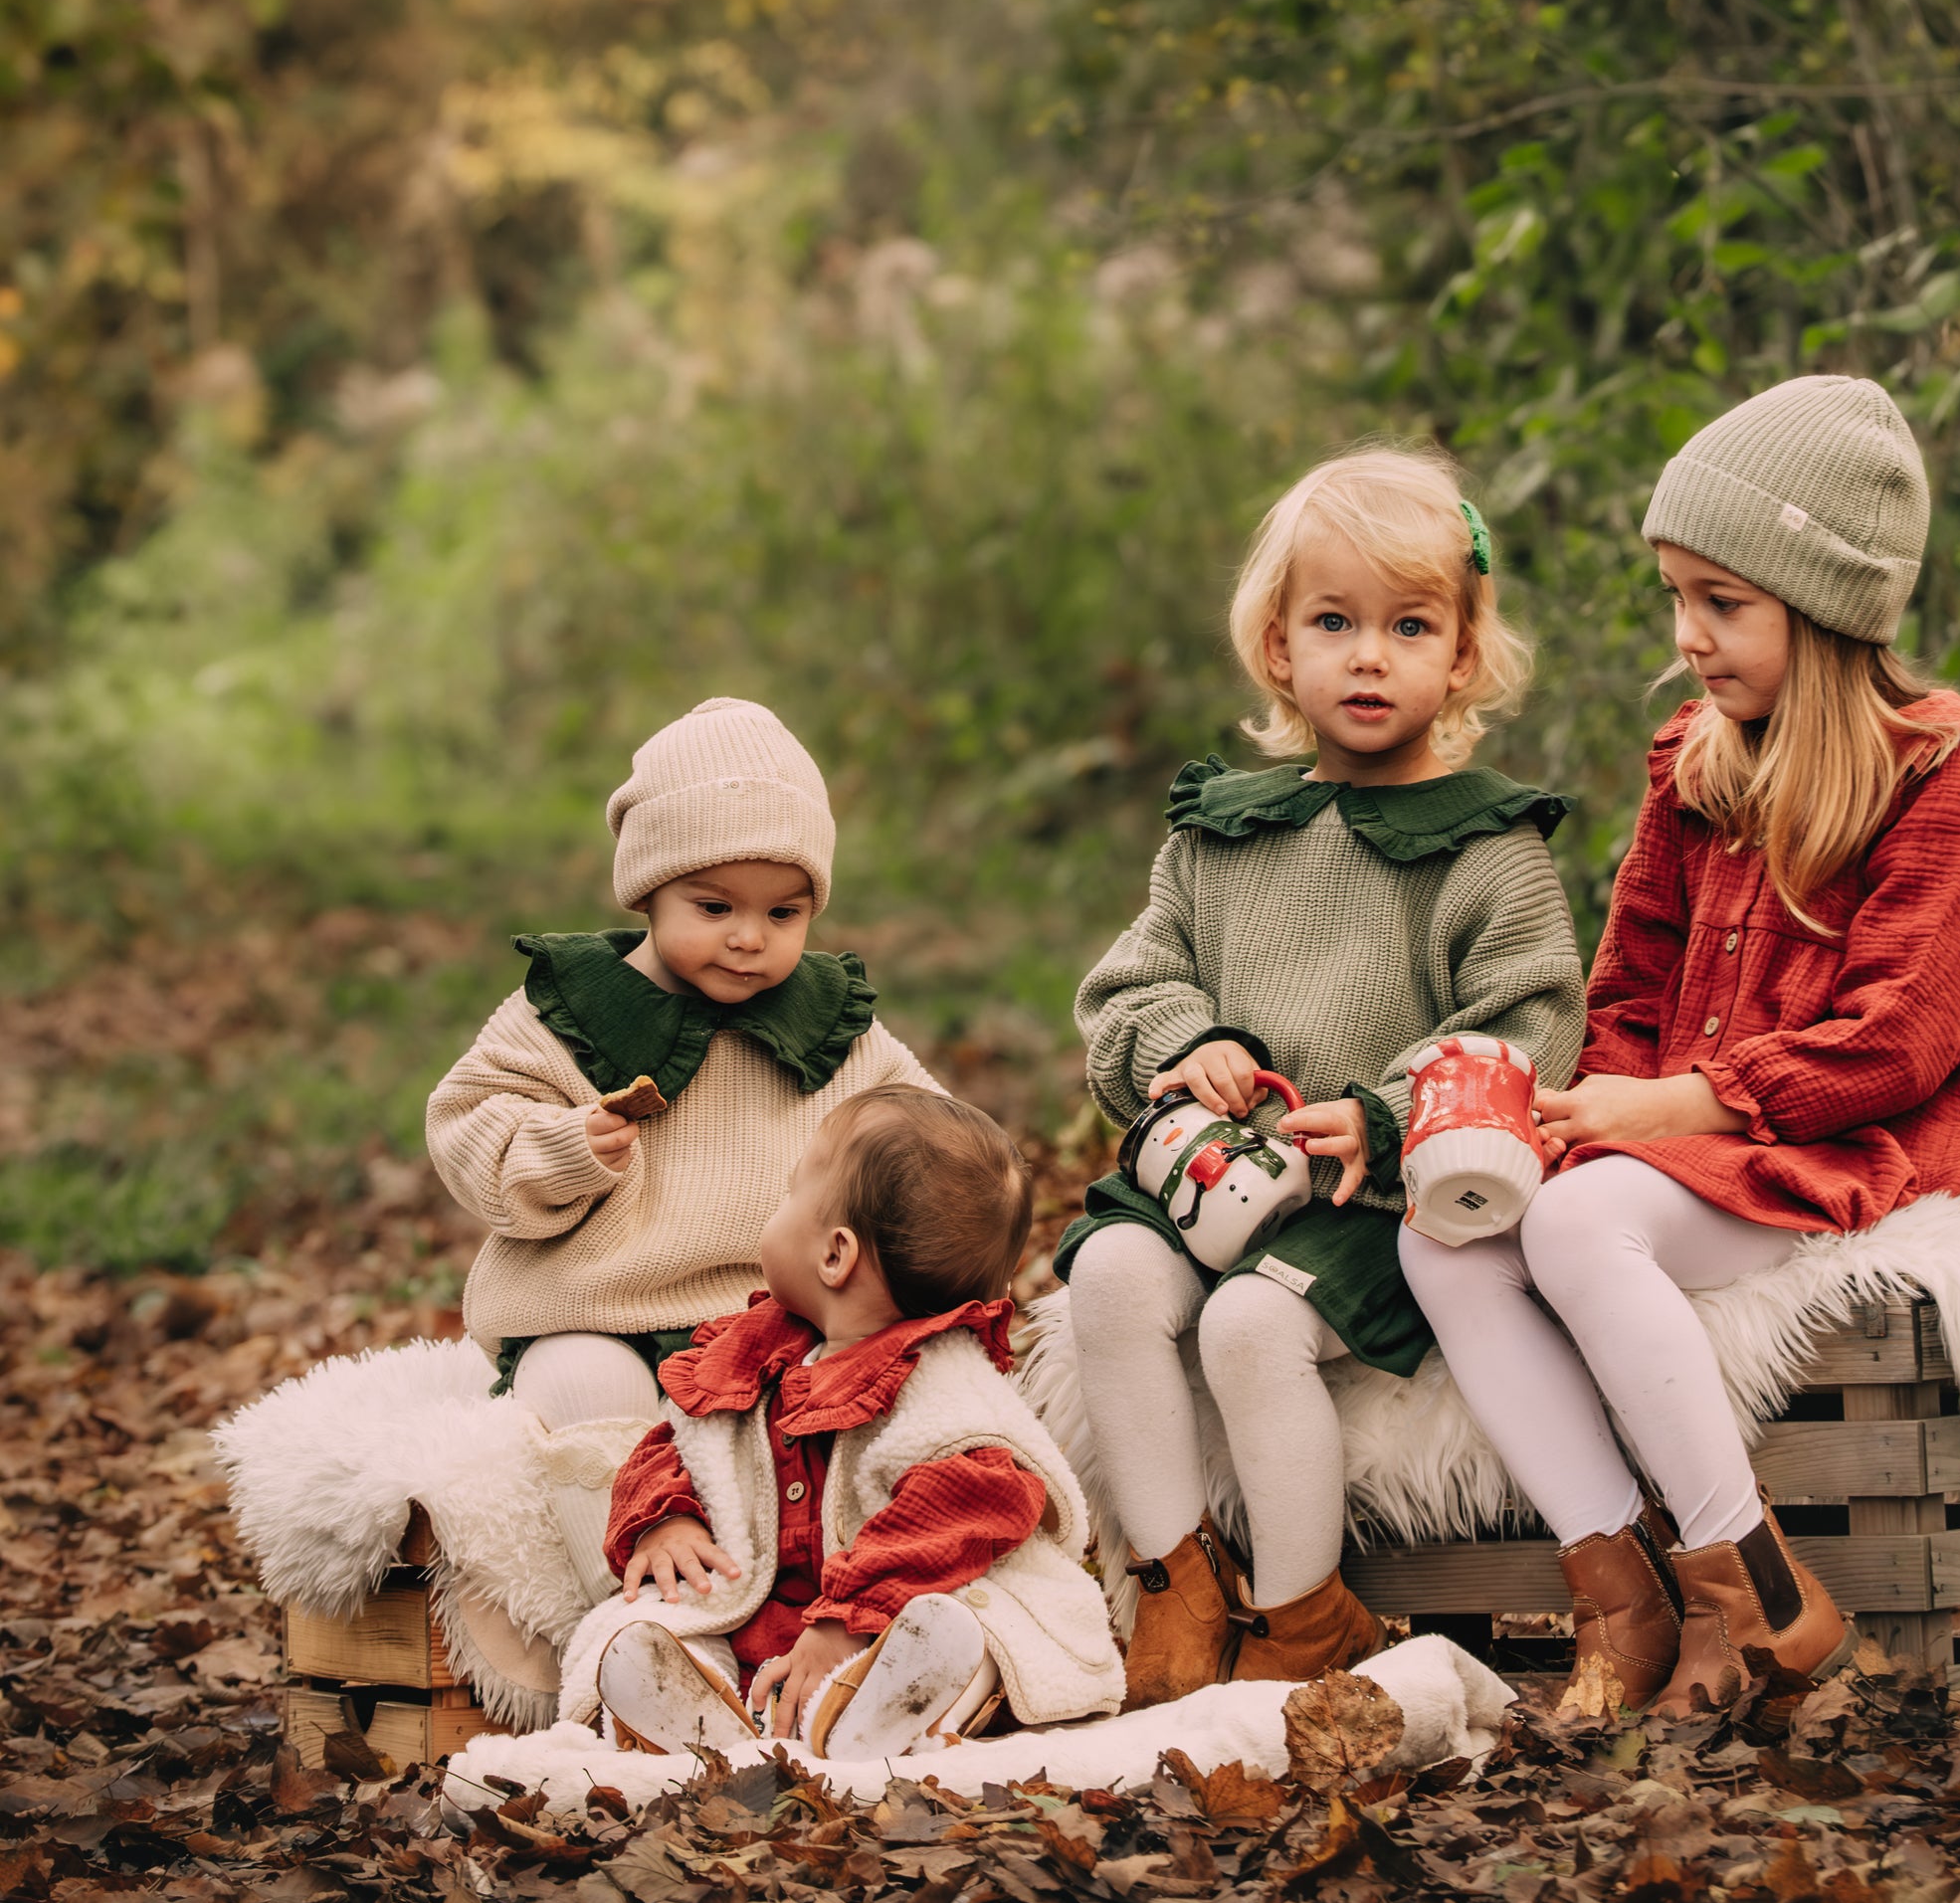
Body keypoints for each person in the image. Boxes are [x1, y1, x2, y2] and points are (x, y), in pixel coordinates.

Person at [1400, 373, 1960, 1722]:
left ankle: (1757, 1589)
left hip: (1859, 1128)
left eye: (1725, 604)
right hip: (1686, 1120)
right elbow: (1633, 972)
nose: (1690, 636)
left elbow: (1889, 1046)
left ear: (1826, 608)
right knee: (1449, 1234)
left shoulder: (1959, 790)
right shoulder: (1698, 765)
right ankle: (1622, 1588)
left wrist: (1664, 1111)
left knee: (1582, 1225)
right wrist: (1589, 1096)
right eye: (1677, 598)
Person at [1063, 446, 1587, 1705]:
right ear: (1276, 647)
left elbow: (1528, 1023)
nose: (1367, 655)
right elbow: (1123, 987)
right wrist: (1183, 1044)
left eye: (1408, 625)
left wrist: (1396, 1109)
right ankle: (1174, 1582)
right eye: (1333, 621)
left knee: (1248, 1325)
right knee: (1108, 1275)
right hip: (1212, 1167)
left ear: (1460, 655)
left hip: (1364, 1194)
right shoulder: (1221, 834)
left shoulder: (1484, 847)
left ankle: (1304, 1618)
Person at [427, 696, 940, 1435]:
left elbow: (924, 1130)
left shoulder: (829, 1023)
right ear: (649, 891)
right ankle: (615, 1551)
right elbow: (469, 1127)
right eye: (713, 908)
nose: (748, 939)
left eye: (783, 914)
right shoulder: (573, 1011)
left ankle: (786, 1550)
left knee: (862, 1401)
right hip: (595, 1313)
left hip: (780, 1314)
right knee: (584, 1395)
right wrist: (566, 1148)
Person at [591, 1084, 1123, 1760]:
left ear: (834, 1255)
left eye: (790, 1194)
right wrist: (665, 1518)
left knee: (972, 1635)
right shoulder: (751, 1359)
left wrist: (853, 1617)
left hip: (892, 1612)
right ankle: (697, 1708)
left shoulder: (939, 1382)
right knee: (654, 1630)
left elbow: (979, 1497)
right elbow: (679, 1442)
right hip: (757, 1623)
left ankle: (892, 1704)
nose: (777, 1208)